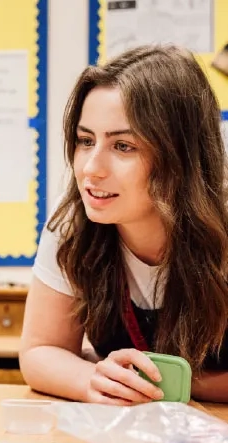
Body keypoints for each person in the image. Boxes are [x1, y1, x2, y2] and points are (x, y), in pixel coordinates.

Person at [20, 44, 228, 405]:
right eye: (85, 141)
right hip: (135, 439)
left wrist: (157, 386)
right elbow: (40, 350)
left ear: (181, 155)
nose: (90, 168)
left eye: (123, 146)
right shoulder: (73, 218)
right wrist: (93, 379)